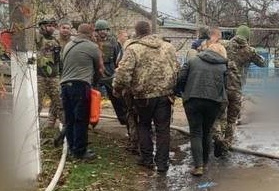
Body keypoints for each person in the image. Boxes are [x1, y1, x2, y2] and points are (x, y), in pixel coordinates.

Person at [113, 20, 179, 173]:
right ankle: (162, 163)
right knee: (163, 129)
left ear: (136, 32)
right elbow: (176, 68)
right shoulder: (168, 47)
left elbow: (123, 74)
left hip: (142, 96)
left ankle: (147, 159)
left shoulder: (133, 49)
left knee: (143, 125)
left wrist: (117, 89)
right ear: (150, 30)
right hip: (165, 95)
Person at [176, 38, 228, 176]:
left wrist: (182, 92)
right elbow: (226, 86)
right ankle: (205, 163)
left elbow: (181, 78)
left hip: (192, 100)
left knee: (196, 132)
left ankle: (198, 166)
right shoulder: (223, 66)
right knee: (207, 131)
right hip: (214, 102)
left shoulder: (192, 61)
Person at [213, 25, 266, 156]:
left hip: (221, 87)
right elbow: (262, 63)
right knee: (232, 119)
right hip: (236, 89)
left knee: (218, 116)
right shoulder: (249, 51)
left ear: (236, 34)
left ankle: (218, 138)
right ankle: (226, 145)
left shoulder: (224, 45)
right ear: (247, 37)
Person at [59, 23, 104, 160]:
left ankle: (72, 148)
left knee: (70, 119)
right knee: (81, 119)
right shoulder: (92, 47)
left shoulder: (68, 45)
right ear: (91, 33)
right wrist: (96, 82)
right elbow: (100, 68)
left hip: (65, 85)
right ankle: (80, 151)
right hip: (80, 85)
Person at [94, 19, 129, 126]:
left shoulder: (114, 43)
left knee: (117, 98)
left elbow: (118, 59)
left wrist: (117, 72)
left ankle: (124, 119)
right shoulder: (92, 42)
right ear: (97, 31)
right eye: (101, 30)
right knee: (92, 98)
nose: (103, 32)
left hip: (110, 73)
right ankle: (90, 120)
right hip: (95, 74)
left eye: (105, 30)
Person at [35, 18, 63, 128]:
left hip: (54, 76)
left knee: (60, 103)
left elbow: (58, 59)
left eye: (53, 25)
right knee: (37, 103)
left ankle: (66, 129)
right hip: (40, 76)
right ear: (42, 26)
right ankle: (34, 129)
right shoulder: (37, 39)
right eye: (49, 25)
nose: (52, 28)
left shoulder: (56, 41)